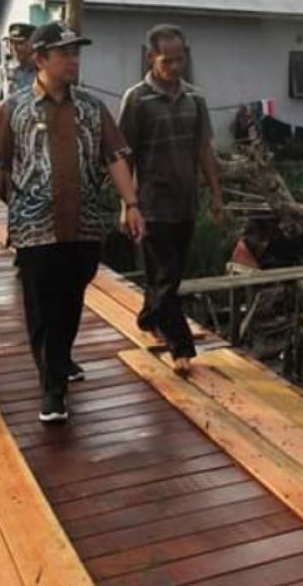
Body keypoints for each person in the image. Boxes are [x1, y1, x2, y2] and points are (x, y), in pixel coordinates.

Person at [0, 21, 144, 423]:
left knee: (70, 302)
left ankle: (60, 358)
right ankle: (51, 387)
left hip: (84, 225)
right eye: (64, 53)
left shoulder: (90, 107)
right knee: (41, 305)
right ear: (40, 59)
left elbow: (115, 156)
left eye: (76, 53)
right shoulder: (13, 109)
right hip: (35, 228)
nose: (73, 61)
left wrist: (132, 203)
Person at [118, 24, 225, 376]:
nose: (175, 67)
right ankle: (182, 348)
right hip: (151, 204)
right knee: (165, 276)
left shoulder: (195, 99)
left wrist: (216, 196)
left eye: (180, 60)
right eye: (168, 61)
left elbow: (203, 150)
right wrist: (127, 204)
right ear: (151, 58)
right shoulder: (137, 99)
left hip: (186, 202)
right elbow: (125, 156)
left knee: (169, 276)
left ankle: (150, 316)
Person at [0, 22, 39, 103]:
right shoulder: (5, 69)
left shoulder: (44, 69)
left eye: (20, 43)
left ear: (32, 44)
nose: (14, 48)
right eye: (11, 43)